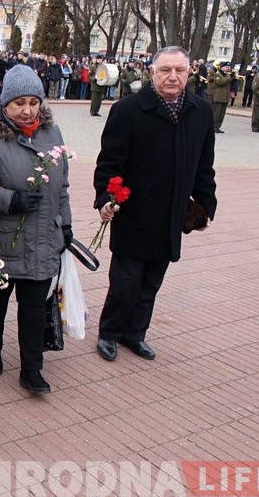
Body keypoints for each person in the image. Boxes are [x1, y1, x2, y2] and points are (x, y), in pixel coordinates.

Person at [93, 45, 216, 362]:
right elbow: (109, 165)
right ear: (152, 72)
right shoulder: (128, 110)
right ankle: (109, 333)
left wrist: (205, 206)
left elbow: (205, 166)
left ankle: (135, 334)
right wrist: (106, 199)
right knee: (125, 281)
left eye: (180, 70)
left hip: (172, 214)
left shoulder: (201, 111)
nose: (173, 76)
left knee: (151, 281)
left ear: (189, 73)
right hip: (134, 212)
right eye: (165, 70)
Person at [0, 65, 72, 394]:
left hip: (42, 237)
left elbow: (62, 186)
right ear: (4, 103)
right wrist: (12, 200)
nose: (28, 110)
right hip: (1, 236)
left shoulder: (52, 133)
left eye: (33, 102)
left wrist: (66, 225)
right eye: (19, 103)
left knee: (33, 305)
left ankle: (32, 369)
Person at [208, 61, 233, 133]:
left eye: (228, 67)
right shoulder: (217, 74)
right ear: (221, 67)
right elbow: (221, 82)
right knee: (216, 113)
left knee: (222, 114)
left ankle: (218, 126)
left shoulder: (226, 75)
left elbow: (228, 83)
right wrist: (229, 78)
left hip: (225, 97)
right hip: (218, 97)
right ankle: (213, 127)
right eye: (226, 67)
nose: (227, 68)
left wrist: (232, 78)